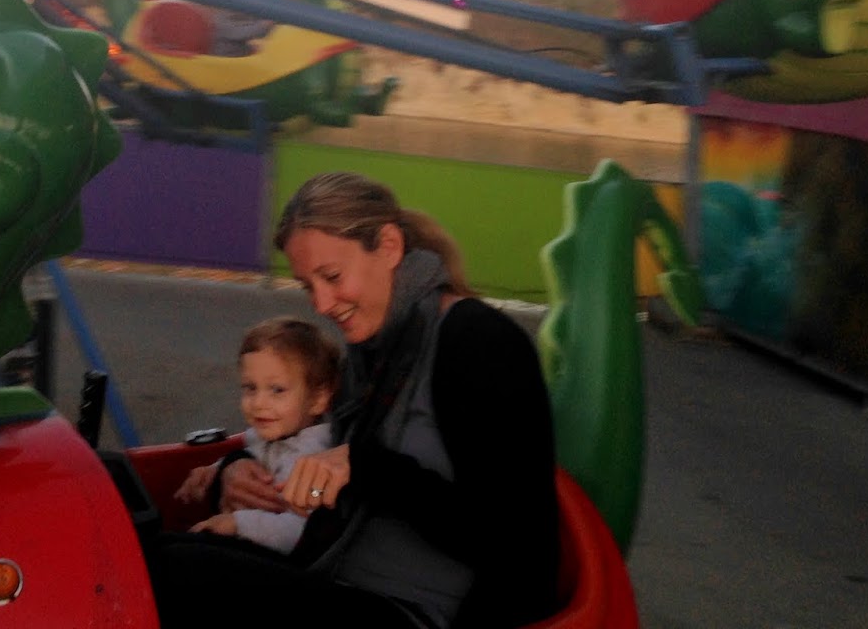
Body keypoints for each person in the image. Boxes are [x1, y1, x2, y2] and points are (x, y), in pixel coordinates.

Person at [149, 172, 562, 629]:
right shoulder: (371, 354)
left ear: (388, 246)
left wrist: (366, 468)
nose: (321, 304)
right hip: (337, 572)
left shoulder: (479, 343)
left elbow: (519, 547)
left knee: (174, 572)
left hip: (416, 611)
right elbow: (304, 445)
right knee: (155, 548)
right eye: (308, 286)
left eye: (331, 277)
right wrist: (235, 470)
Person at [179, 316, 341, 553]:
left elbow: (301, 530)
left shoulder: (314, 457)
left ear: (318, 399)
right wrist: (214, 470)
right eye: (250, 388)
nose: (258, 403)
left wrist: (238, 523)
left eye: (277, 390)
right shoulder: (267, 435)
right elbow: (254, 455)